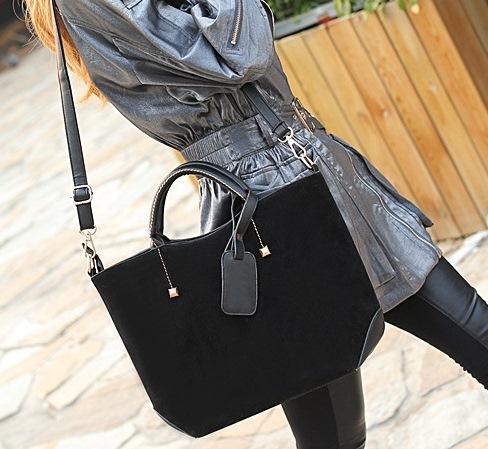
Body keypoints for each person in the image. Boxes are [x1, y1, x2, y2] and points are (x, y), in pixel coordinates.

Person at [24, 1, 488, 448]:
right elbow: (243, 52)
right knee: (334, 435)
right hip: (262, 201)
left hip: (307, 163)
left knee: (472, 334)